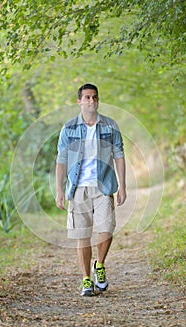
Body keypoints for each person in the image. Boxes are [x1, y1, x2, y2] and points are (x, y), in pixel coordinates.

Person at [56, 83, 126, 296]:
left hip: (103, 185)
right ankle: (86, 279)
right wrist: (59, 190)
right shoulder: (69, 128)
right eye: (87, 97)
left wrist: (123, 186)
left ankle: (100, 265)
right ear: (79, 101)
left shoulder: (110, 126)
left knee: (107, 230)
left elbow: (119, 156)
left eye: (94, 97)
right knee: (82, 235)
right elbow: (62, 159)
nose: (91, 101)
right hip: (78, 189)